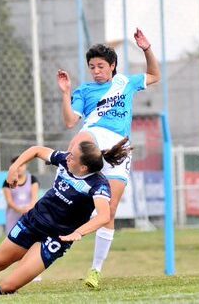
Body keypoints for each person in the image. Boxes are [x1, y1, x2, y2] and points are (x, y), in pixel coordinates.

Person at [0, 138, 131, 299]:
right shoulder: (64, 161)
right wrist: (14, 167)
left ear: (84, 168)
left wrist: (78, 232)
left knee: (8, 287)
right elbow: (36, 150)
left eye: (73, 156)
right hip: (32, 222)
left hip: (56, 239)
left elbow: (104, 215)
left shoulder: (98, 185)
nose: (68, 156)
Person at [56, 28, 160, 289]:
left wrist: (146, 49)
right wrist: (66, 93)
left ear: (112, 66)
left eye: (101, 66)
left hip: (117, 149)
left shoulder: (125, 82)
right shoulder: (85, 91)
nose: (96, 71)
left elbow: (155, 75)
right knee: (78, 148)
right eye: (92, 66)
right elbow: (70, 122)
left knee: (109, 210)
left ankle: (95, 271)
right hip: (93, 140)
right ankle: (58, 202)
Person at [2, 158, 39, 233]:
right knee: (12, 239)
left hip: (29, 215)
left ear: (26, 166)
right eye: (16, 166)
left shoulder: (32, 179)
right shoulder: (7, 182)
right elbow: (9, 201)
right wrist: (20, 210)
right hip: (13, 216)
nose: (19, 168)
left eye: (21, 165)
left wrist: (28, 210)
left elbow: (34, 198)